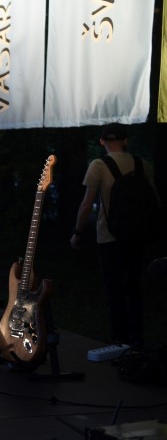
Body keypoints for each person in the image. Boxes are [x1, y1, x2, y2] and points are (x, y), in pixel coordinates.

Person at [71, 122, 155, 347]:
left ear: (102, 142)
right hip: (137, 236)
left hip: (109, 237)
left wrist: (77, 233)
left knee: (114, 291)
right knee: (134, 289)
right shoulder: (142, 164)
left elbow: (86, 205)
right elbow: (153, 201)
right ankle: (137, 339)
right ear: (126, 140)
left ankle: (119, 341)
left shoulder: (98, 165)